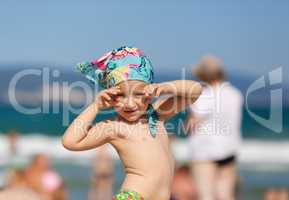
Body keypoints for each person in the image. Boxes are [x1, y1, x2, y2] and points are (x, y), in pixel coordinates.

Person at [62, 46, 202, 200]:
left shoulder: (158, 115)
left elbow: (195, 90)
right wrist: (96, 106)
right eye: (121, 95)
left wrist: (164, 87)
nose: (129, 103)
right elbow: (70, 142)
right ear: (111, 96)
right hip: (133, 196)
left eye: (138, 94)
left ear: (149, 94)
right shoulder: (115, 127)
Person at [186, 55, 243, 200]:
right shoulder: (235, 94)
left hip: (205, 151)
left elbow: (192, 124)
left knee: (206, 195)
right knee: (226, 195)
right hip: (230, 149)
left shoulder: (204, 95)